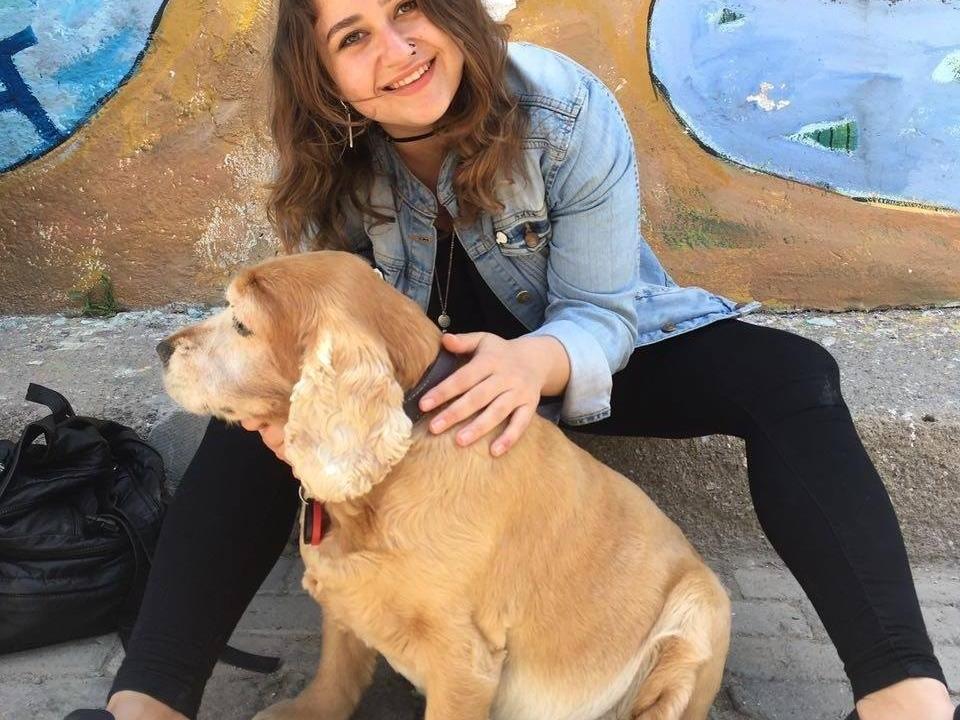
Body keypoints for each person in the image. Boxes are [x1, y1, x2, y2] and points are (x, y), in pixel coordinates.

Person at [68, 1, 956, 719]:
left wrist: (535, 365)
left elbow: (604, 310)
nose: (397, 49)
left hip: (577, 344)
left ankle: (903, 698)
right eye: (353, 37)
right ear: (325, 78)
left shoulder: (562, 107)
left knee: (794, 378)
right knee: (249, 421)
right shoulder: (324, 163)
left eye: (408, 9)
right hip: (421, 386)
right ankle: (147, 704)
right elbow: (304, 351)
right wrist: (284, 420)